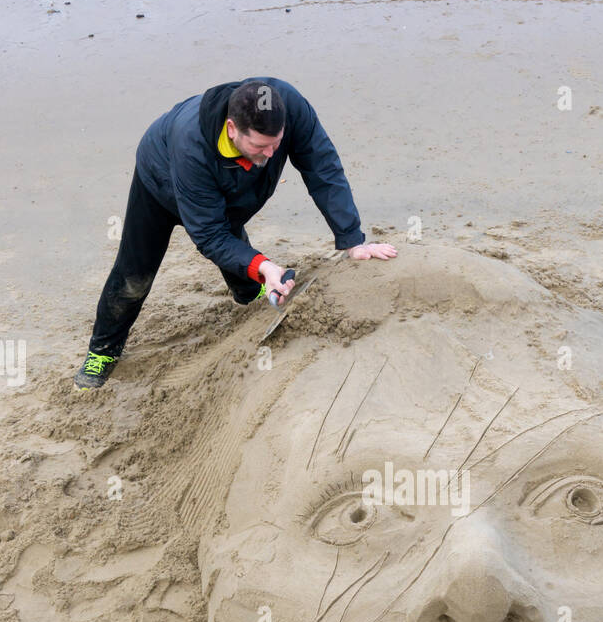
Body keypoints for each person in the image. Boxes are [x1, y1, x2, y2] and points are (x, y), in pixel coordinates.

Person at [73, 77, 396, 390]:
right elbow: (209, 235)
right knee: (135, 274)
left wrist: (352, 239)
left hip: (227, 180)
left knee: (233, 231)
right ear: (231, 129)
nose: (271, 155)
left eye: (277, 143)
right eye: (260, 145)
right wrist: (267, 265)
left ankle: (248, 290)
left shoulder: (288, 107)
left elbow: (322, 168)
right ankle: (102, 351)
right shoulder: (192, 147)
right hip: (161, 180)